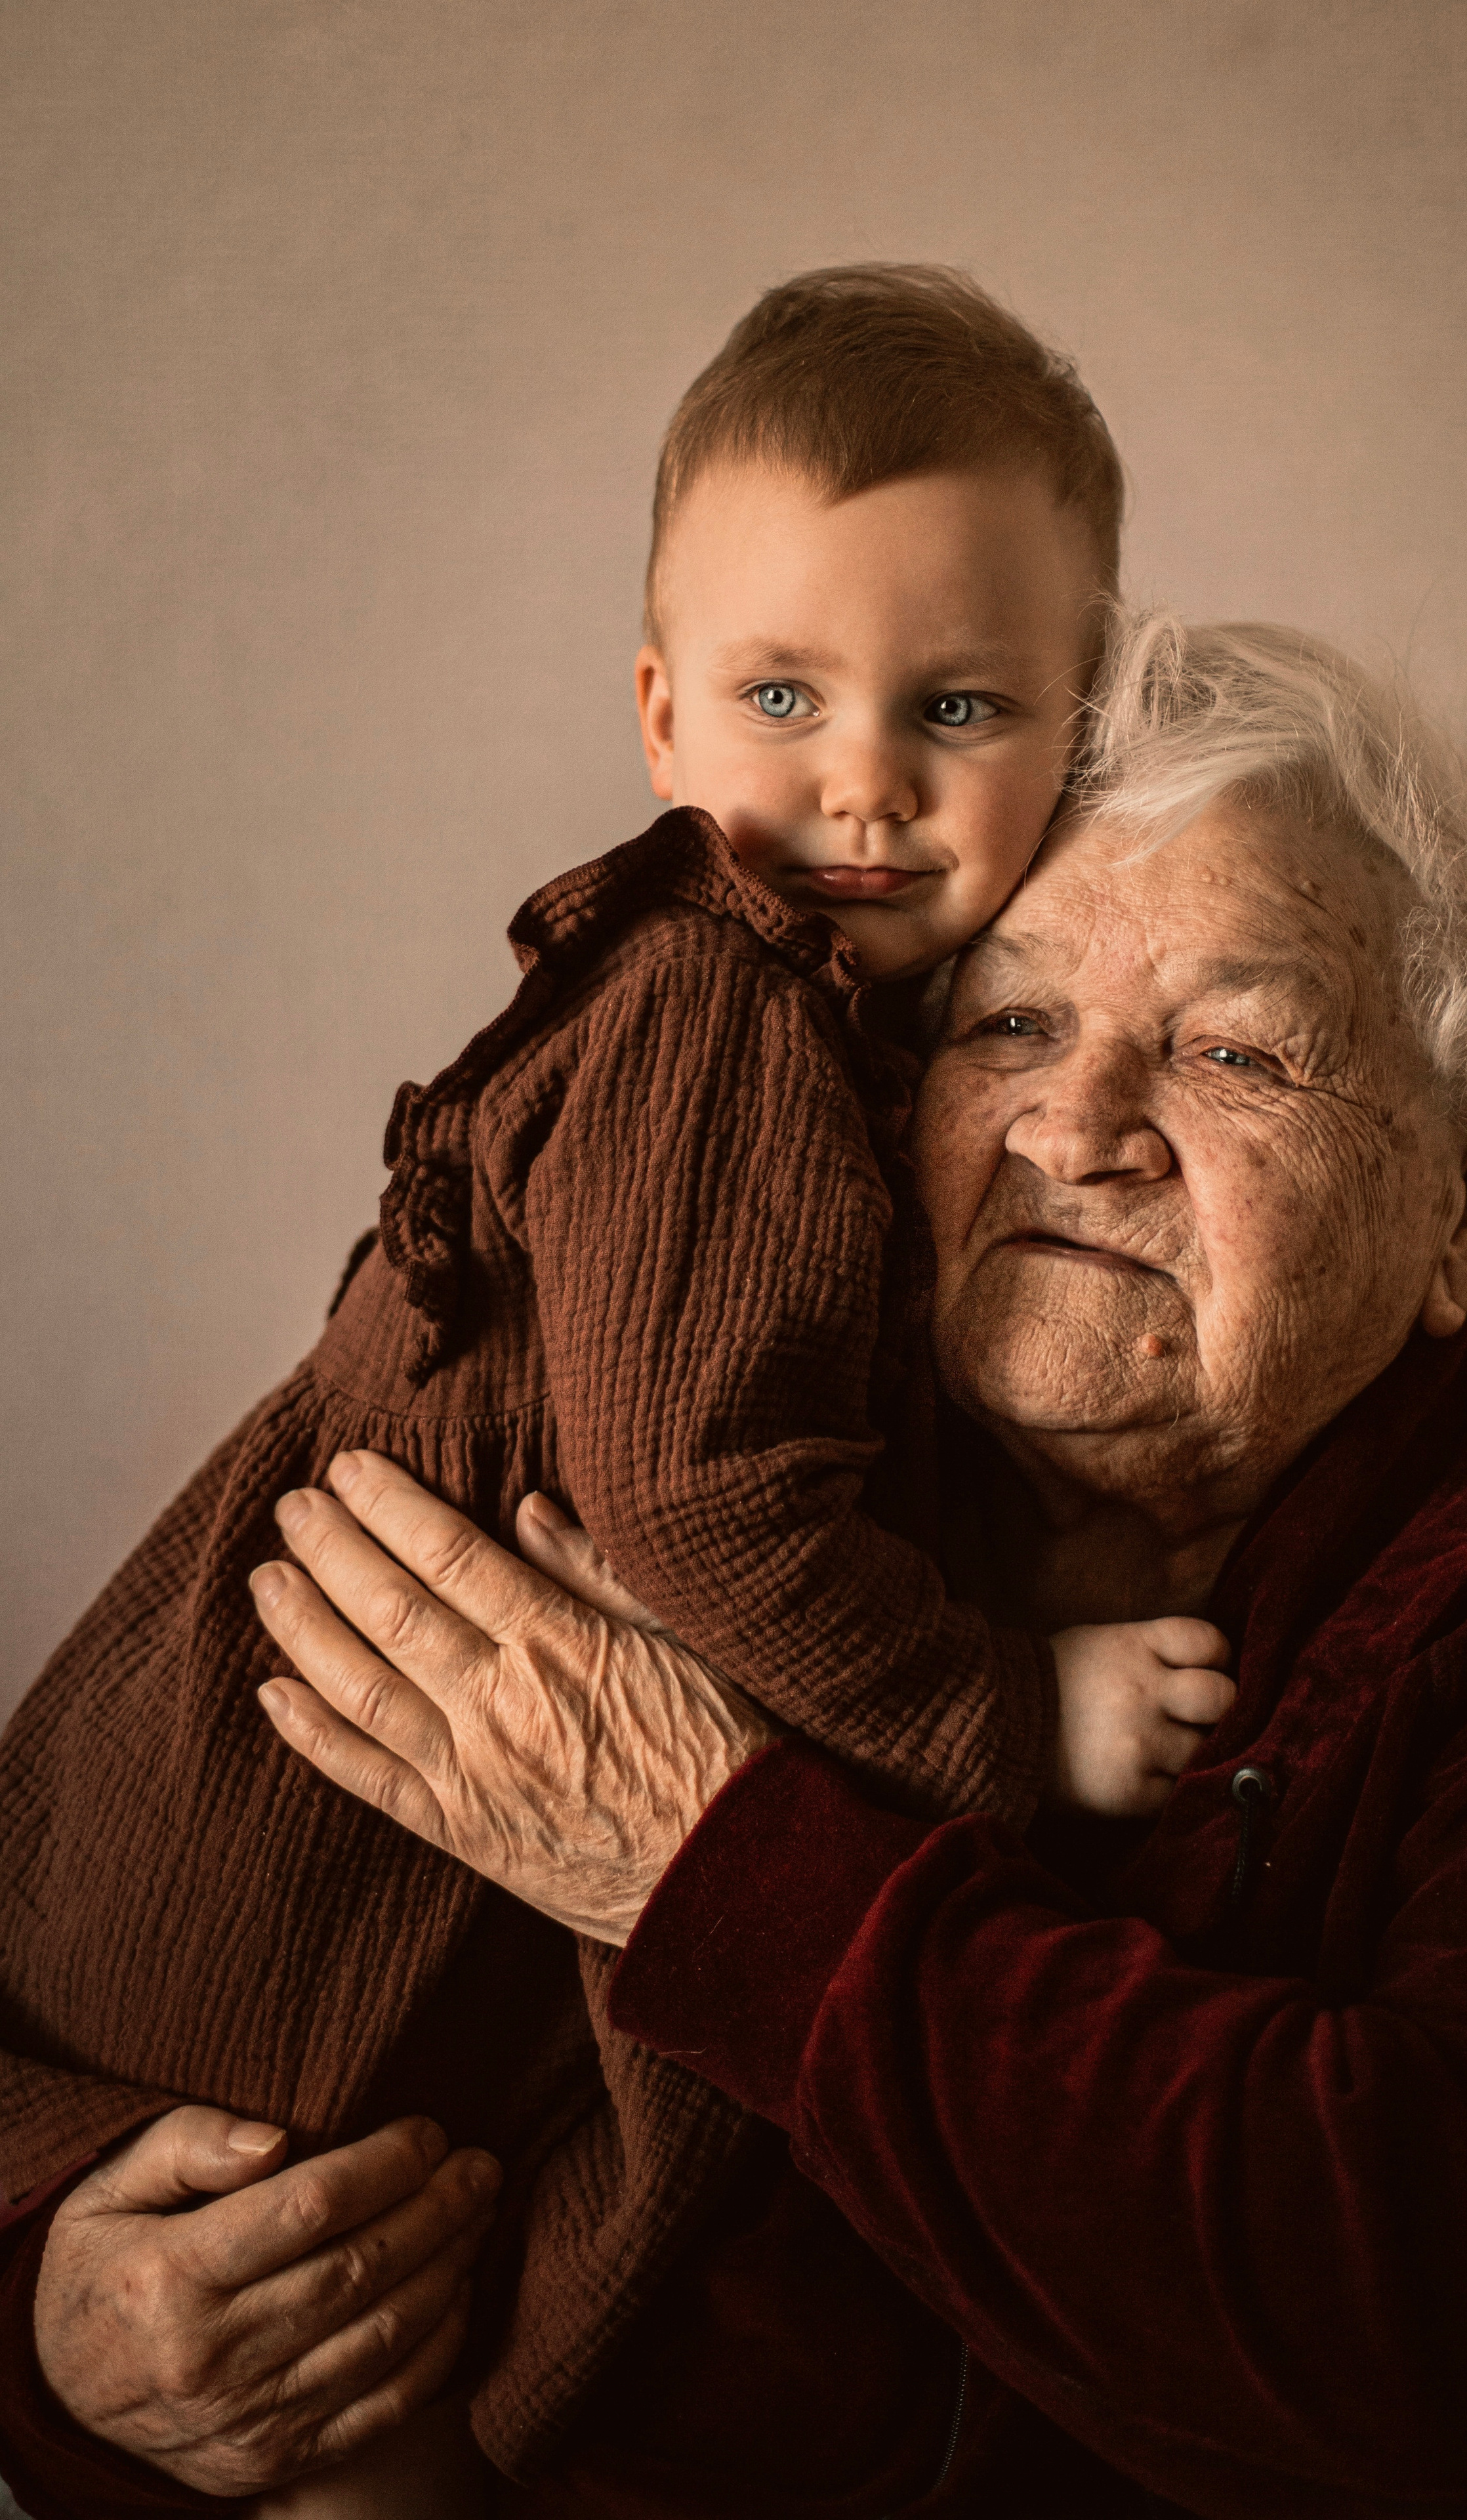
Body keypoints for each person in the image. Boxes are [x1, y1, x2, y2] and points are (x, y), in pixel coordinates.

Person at [10, 614, 1467, 2517]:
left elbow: (1442, 2318)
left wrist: (709, 1858)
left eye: (1236, 1049)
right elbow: (134, 1926)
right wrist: (71, 2311)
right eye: (1012, 1024)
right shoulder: (700, 1459)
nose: (1077, 1129)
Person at [0, 268, 1250, 2517]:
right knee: (345, 2338)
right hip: (302, 1819)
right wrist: (1010, 1713)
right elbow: (707, 1521)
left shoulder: (826, 1025)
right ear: (664, 719)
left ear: (1081, 727)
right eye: (789, 694)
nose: (865, 779)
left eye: (957, 703)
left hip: (359, 1813)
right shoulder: (719, 1020)